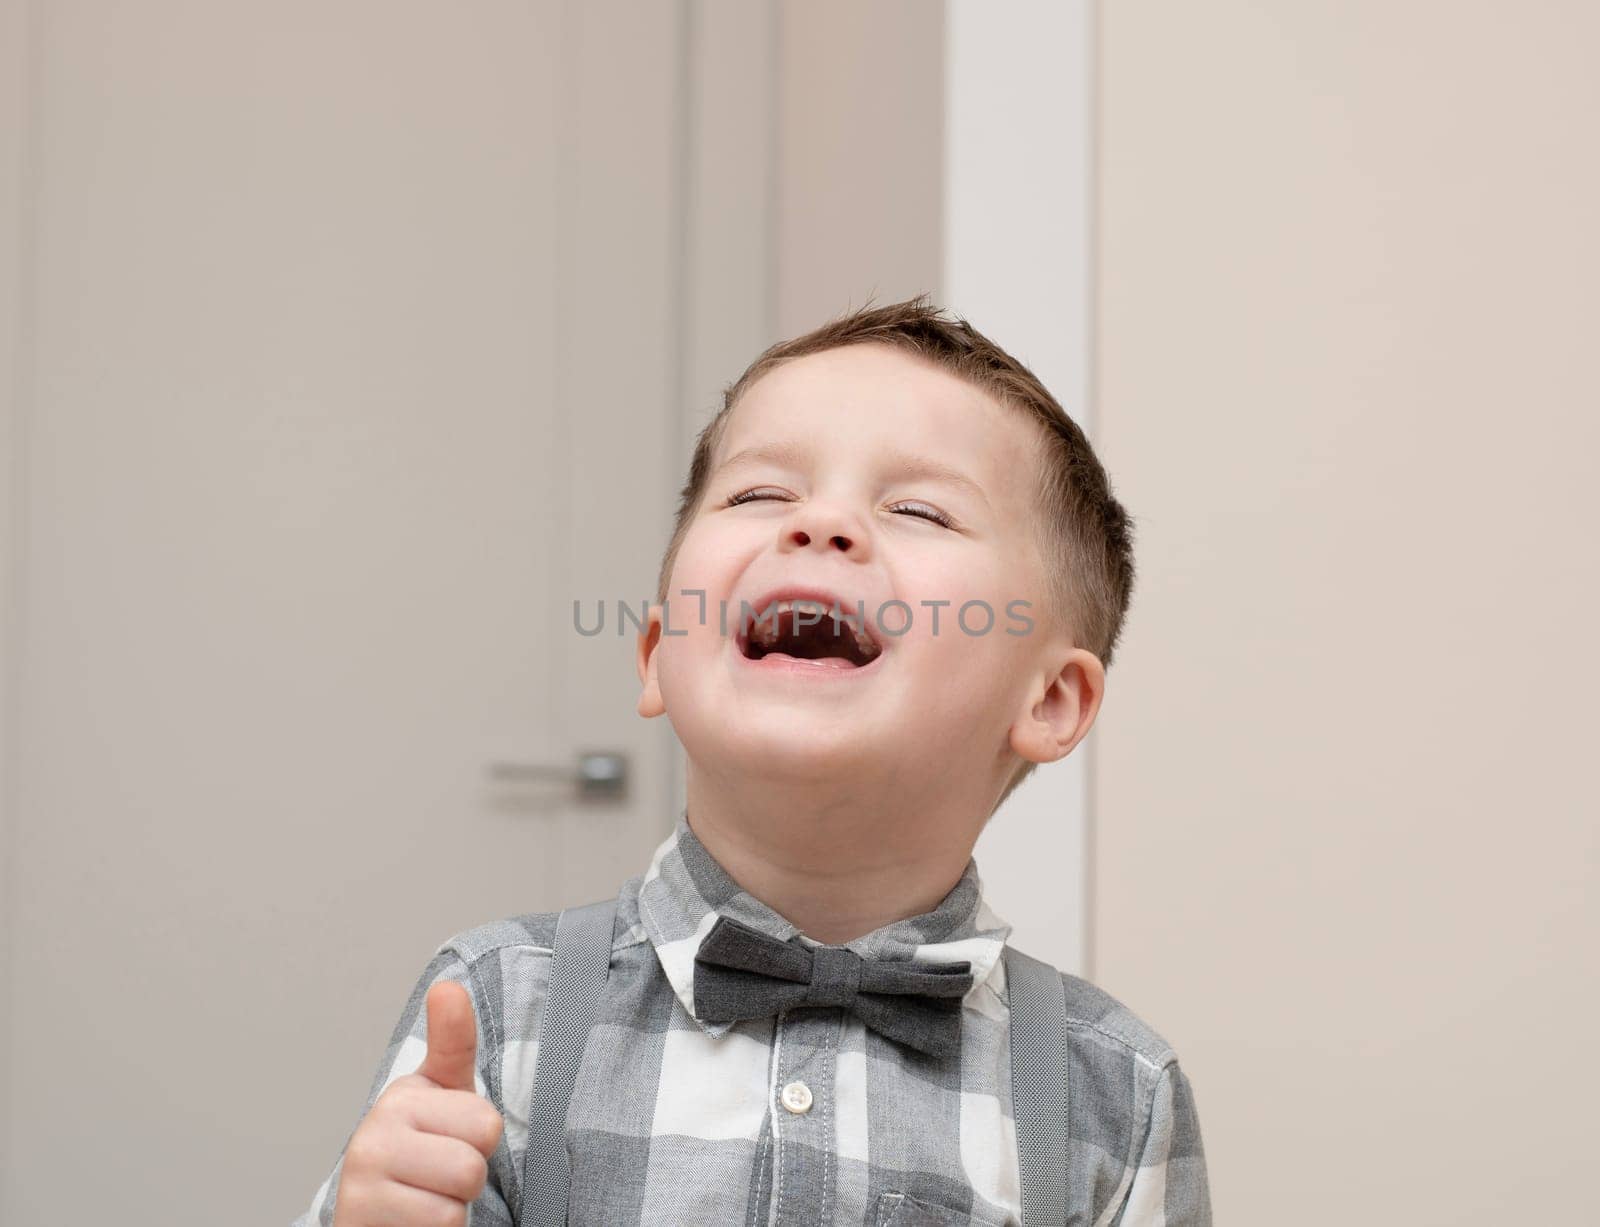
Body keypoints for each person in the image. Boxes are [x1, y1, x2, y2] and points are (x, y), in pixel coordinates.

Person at [294, 296, 1211, 1226]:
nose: (819, 523)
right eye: (759, 493)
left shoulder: (1114, 1093)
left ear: (1049, 700)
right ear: (657, 654)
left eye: (917, 509)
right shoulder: (499, 1007)